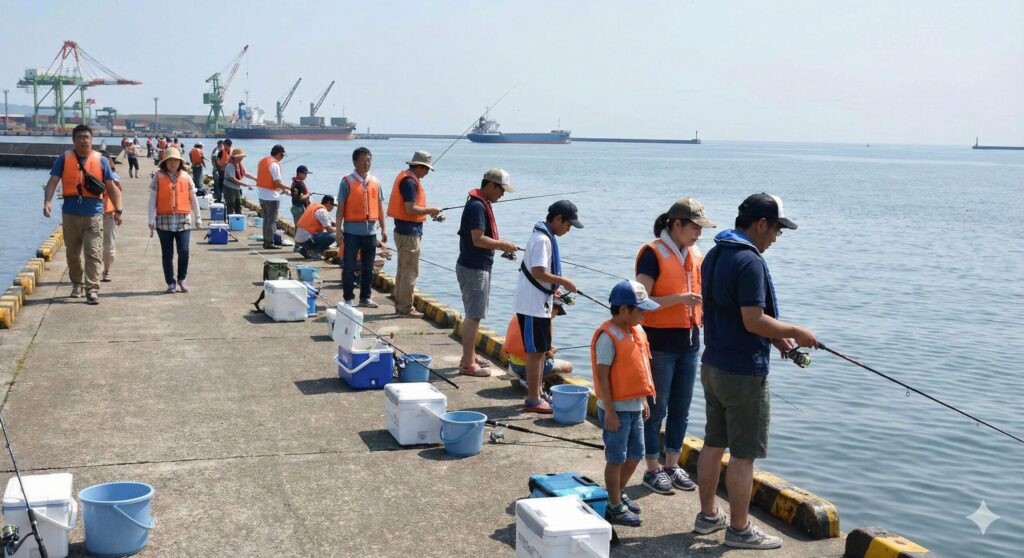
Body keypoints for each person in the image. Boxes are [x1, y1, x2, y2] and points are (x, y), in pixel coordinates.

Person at [694, 193, 818, 550]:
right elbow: (753, 320)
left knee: (713, 444)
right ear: (761, 224)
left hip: (713, 364)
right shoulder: (749, 261)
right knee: (743, 455)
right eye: (777, 229)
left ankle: (708, 516)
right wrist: (796, 332)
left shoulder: (715, 254)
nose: (776, 237)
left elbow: (730, 313)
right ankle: (739, 529)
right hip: (743, 373)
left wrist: (778, 340)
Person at [634, 198, 716, 495]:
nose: (699, 234)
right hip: (659, 344)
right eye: (695, 228)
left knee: (681, 408)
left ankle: (671, 464)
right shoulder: (652, 253)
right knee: (656, 409)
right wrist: (680, 300)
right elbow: (640, 299)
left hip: (690, 342)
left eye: (701, 229)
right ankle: (652, 468)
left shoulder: (695, 253)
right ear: (677, 224)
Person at [591, 280, 659, 527]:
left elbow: (640, 370)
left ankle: (617, 494)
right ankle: (614, 506)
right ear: (623, 310)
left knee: (636, 454)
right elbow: (602, 376)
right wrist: (609, 411)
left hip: (635, 406)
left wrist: (644, 400)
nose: (643, 315)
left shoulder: (636, 330)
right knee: (616, 458)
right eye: (640, 310)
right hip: (616, 410)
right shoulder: (608, 337)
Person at [511, 200, 582, 413]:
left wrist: (553, 288)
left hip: (538, 302)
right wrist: (564, 281)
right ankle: (533, 399)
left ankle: (538, 392)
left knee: (541, 351)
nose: (568, 229)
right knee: (535, 353)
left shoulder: (543, 236)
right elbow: (538, 271)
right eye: (568, 224)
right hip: (532, 305)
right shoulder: (543, 239)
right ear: (558, 219)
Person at [42, 124, 123, 305]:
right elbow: (53, 181)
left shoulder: (101, 161)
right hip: (70, 214)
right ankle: (77, 284)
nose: (83, 140)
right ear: (74, 140)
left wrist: (118, 210)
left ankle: (92, 289)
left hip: (94, 214)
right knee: (72, 254)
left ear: (91, 140)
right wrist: (47, 201)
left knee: (93, 252)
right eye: (79, 137)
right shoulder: (64, 159)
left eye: (86, 137)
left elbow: (111, 188)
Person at [455, 169, 518, 376]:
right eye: (501, 190)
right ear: (490, 185)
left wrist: (500, 245)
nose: (503, 194)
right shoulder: (477, 206)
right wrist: (502, 244)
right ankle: (467, 363)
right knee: (473, 316)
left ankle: (470, 355)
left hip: (476, 266)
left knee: (475, 314)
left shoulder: (481, 203)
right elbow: (478, 239)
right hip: (473, 268)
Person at [386, 150, 442, 317]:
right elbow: (410, 209)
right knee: (410, 271)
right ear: (420, 166)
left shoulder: (406, 178)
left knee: (403, 269)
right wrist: (431, 210)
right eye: (427, 169)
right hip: (409, 233)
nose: (427, 173)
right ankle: (405, 308)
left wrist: (428, 212)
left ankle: (400, 303)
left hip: (403, 230)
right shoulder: (410, 182)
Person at [336, 147, 387, 307]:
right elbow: (340, 209)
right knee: (349, 266)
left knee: (368, 267)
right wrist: (338, 231)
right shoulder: (346, 182)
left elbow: (379, 207)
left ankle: (365, 297)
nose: (366, 163)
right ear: (355, 162)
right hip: (351, 232)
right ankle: (348, 298)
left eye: (369, 160)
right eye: (363, 160)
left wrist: (384, 228)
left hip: (370, 232)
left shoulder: (375, 182)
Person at [148, 147, 202, 293]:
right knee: (167, 254)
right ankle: (170, 282)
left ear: (180, 162)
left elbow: (193, 198)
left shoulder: (187, 177)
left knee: (184, 251)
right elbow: (152, 198)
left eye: (175, 160)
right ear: (165, 162)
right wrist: (151, 218)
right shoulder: (158, 176)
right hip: (163, 222)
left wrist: (198, 217)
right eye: (170, 160)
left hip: (183, 221)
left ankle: (182, 279)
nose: (172, 163)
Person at [502, 297, 574, 390]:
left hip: (513, 363)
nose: (555, 316)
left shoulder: (520, 314)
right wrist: (551, 352)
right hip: (527, 366)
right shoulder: (544, 322)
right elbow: (546, 354)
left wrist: (548, 348)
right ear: (551, 308)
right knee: (568, 366)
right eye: (556, 312)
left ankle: (517, 375)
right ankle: (527, 379)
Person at [255, 144, 290, 250]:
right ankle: (269, 242)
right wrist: (289, 188)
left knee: (266, 220)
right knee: (272, 221)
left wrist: (282, 189)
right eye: (282, 155)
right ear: (279, 154)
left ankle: (266, 241)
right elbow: (277, 182)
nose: (282, 158)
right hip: (272, 198)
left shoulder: (263, 161)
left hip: (261, 195)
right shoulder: (274, 165)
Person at [100, 154, 124, 283]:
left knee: (108, 244)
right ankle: (95, 271)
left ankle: (106, 270)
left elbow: (118, 195)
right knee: (93, 245)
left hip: (109, 213)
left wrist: (119, 212)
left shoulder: (114, 178)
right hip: (92, 213)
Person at [296, 195, 337, 259]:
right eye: (333, 205)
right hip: (307, 239)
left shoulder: (314, 206)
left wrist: (336, 224)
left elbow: (328, 221)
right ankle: (314, 252)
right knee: (334, 236)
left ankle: (304, 250)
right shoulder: (322, 211)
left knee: (325, 235)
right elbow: (329, 230)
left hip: (300, 238)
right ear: (329, 203)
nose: (333, 208)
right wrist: (340, 229)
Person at [222, 147, 255, 215]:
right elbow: (232, 179)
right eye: (241, 157)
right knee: (231, 204)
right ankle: (230, 218)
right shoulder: (230, 165)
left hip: (237, 188)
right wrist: (245, 184)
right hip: (229, 188)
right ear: (235, 157)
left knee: (238, 204)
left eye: (242, 157)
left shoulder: (239, 164)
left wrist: (255, 179)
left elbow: (245, 173)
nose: (242, 158)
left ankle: (238, 217)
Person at [213, 138, 232, 203]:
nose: (223, 146)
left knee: (229, 186)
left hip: (231, 173)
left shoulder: (233, 151)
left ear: (228, 145)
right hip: (223, 172)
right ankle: (219, 199)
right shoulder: (221, 152)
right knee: (220, 186)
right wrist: (223, 165)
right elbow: (218, 162)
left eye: (224, 144)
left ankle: (228, 199)